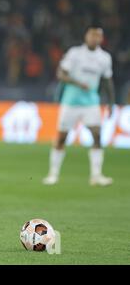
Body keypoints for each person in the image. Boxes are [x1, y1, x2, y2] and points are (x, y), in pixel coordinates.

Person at [42, 26, 115, 186]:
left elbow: (107, 80)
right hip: (71, 102)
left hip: (91, 103)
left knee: (97, 135)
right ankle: (53, 174)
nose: (94, 38)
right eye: (92, 35)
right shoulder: (75, 53)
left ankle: (96, 175)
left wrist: (111, 102)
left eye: (98, 36)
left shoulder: (104, 58)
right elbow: (61, 73)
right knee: (62, 137)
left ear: (101, 39)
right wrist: (77, 83)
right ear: (86, 36)